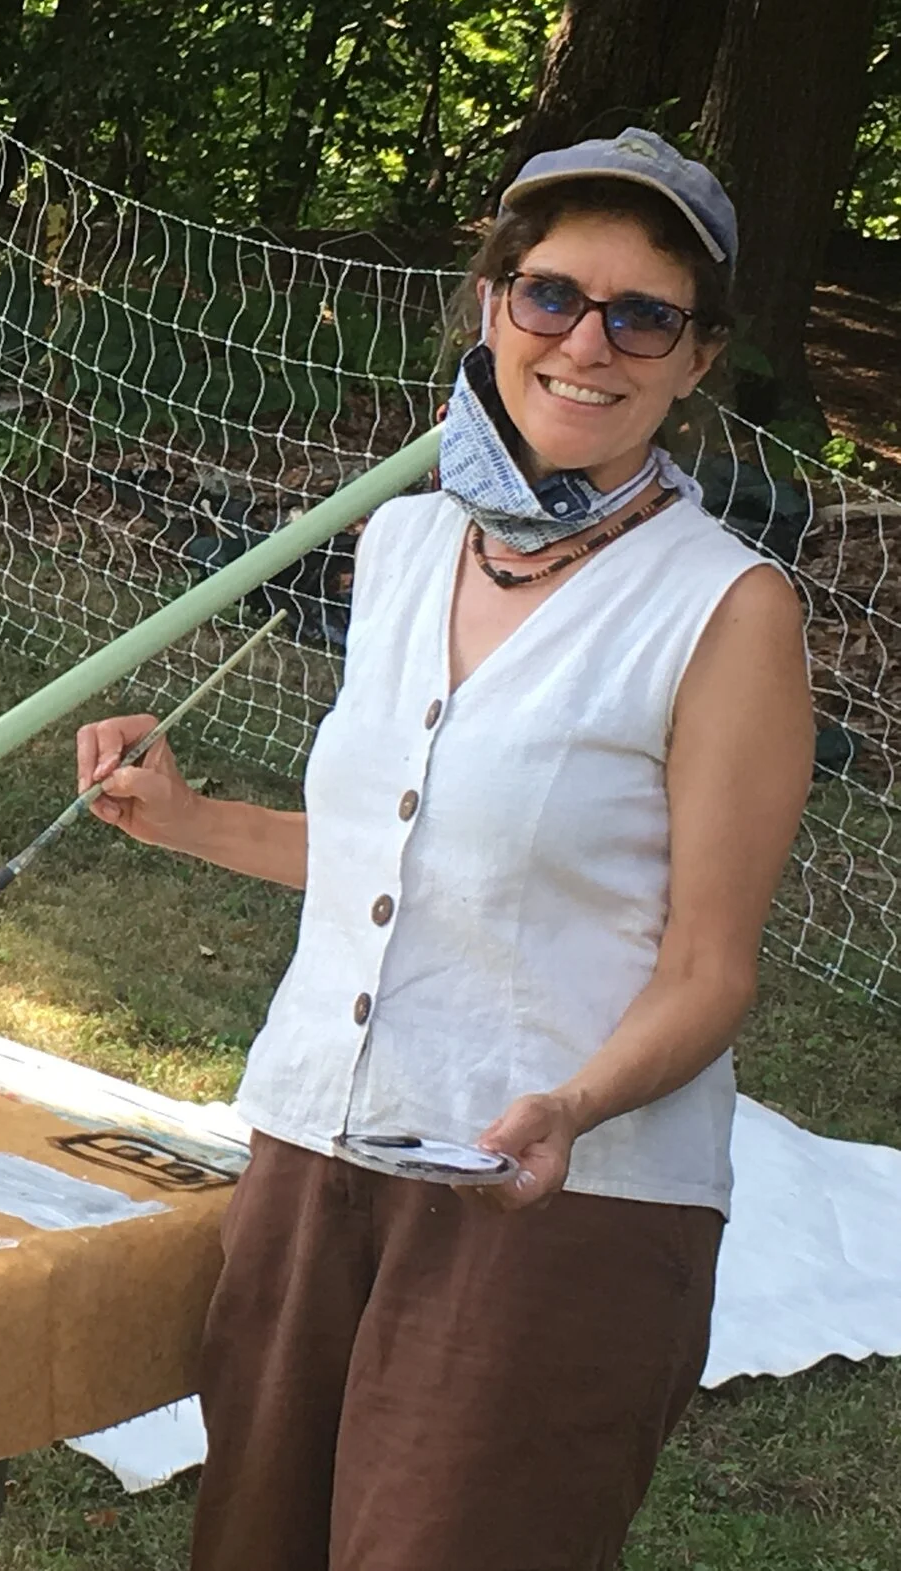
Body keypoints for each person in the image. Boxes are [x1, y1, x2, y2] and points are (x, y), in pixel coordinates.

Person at [73, 129, 814, 1571]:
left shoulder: (726, 613)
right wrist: (183, 817)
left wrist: (572, 1103)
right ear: (493, 305)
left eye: (641, 315)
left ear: (696, 358)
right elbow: (400, 858)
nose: (586, 343)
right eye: (551, 295)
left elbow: (713, 969)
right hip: (314, 1146)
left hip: (560, 1204)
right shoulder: (409, 542)